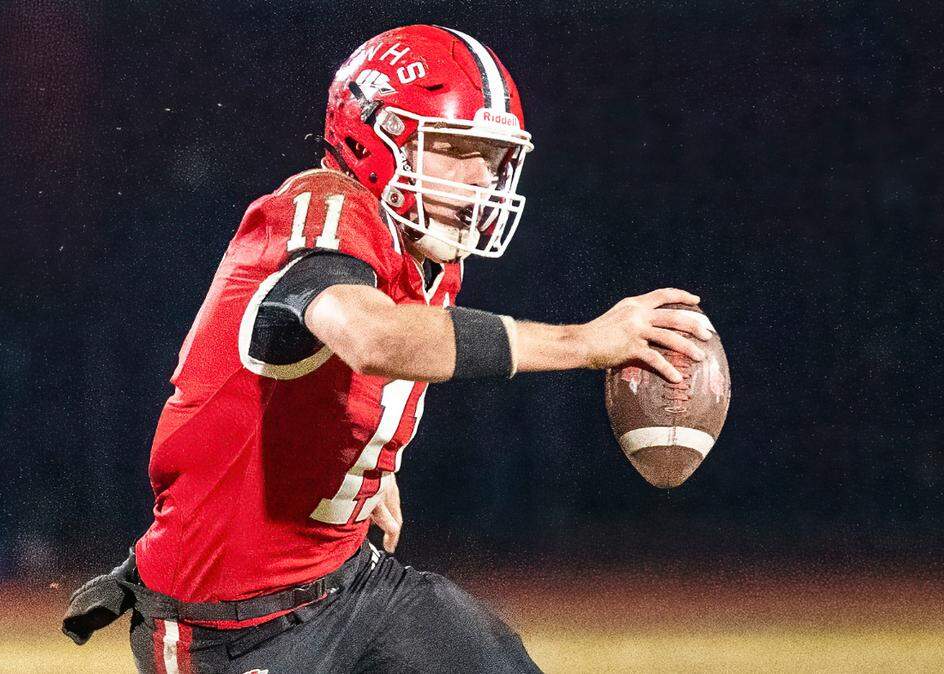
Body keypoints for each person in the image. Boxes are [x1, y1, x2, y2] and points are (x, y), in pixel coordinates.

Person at [63, 24, 712, 673]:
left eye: (493, 158)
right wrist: (586, 342)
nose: (481, 179)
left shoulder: (426, 249)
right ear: (374, 139)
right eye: (457, 149)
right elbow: (369, 334)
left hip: (348, 587)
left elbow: (333, 368)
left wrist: (356, 456)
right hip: (227, 625)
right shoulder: (319, 210)